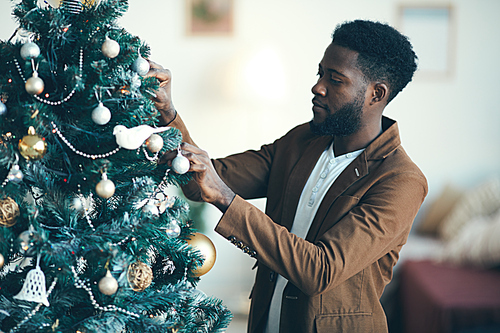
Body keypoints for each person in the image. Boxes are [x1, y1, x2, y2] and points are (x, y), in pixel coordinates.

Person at [148, 19, 428, 333]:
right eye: (320, 73)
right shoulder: (300, 141)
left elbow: (319, 271)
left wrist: (226, 198)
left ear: (376, 94)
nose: (317, 86)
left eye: (335, 80)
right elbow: (203, 182)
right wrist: (167, 111)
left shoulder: (401, 180)